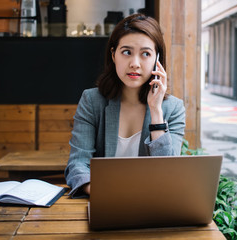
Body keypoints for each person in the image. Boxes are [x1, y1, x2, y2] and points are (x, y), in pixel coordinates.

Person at [65, 13, 186, 197]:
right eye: (127, 52)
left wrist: (156, 112)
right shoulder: (92, 101)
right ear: (114, 55)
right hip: (103, 199)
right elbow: (78, 164)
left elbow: (168, 174)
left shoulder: (173, 109)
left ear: (157, 59)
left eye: (145, 54)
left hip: (151, 204)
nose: (135, 64)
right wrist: (105, 192)